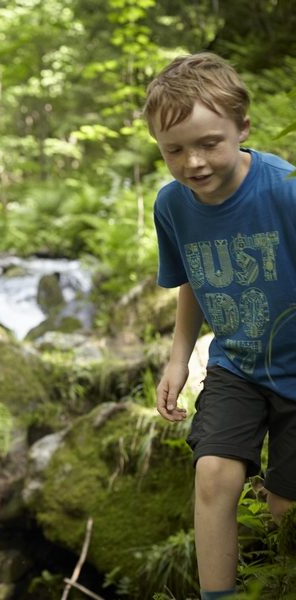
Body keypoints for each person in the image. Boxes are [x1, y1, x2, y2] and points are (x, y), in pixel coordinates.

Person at [145, 52, 296, 600]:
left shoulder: (285, 191)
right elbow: (193, 276)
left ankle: (278, 583)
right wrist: (178, 357)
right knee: (214, 473)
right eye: (175, 150)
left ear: (243, 127)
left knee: (284, 506)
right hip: (237, 364)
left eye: (209, 142)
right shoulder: (172, 206)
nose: (193, 163)